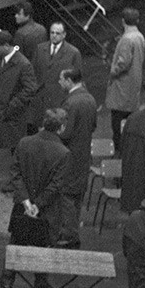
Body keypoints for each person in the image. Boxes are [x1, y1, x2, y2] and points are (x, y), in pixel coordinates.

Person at [0, 109, 69, 288]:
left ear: (44, 123)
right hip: (47, 210)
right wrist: (38, 205)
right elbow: (55, 185)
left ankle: (6, 282)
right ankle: (41, 287)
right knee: (43, 247)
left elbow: (15, 174)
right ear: (61, 128)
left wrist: (26, 202)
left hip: (22, 205)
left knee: (17, 241)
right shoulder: (63, 153)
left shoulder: (24, 143)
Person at [0, 29, 37, 190]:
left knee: (15, 148)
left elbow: (30, 89)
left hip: (11, 114)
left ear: (7, 45)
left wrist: (12, 106)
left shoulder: (23, 64)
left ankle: (16, 182)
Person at [57, 68, 97, 246]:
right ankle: (72, 232)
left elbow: (65, 132)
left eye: (61, 79)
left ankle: (69, 235)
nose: (59, 82)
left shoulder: (70, 103)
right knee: (78, 196)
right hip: (84, 155)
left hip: (70, 155)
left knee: (66, 195)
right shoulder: (90, 99)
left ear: (68, 80)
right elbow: (93, 125)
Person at [28, 21, 80, 133]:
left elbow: (77, 79)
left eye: (57, 33)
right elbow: (32, 72)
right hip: (40, 101)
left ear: (64, 35)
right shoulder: (40, 49)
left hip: (59, 101)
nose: (54, 35)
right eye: (52, 32)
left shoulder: (73, 53)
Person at [106, 6, 145, 151]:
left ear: (123, 21)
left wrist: (112, 72)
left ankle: (120, 152)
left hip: (122, 89)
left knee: (117, 125)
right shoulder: (139, 36)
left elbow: (123, 63)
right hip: (133, 86)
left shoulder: (127, 39)